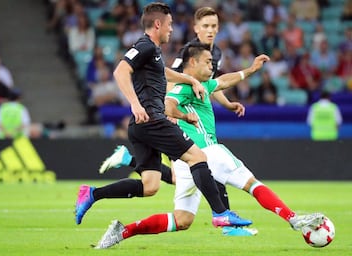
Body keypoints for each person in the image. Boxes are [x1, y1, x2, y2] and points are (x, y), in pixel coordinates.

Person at [94, 43, 324, 249]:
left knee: (182, 219)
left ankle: (124, 231)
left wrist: (250, 70)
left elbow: (223, 82)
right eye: (208, 62)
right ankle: (293, 218)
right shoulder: (186, 87)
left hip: (186, 161)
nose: (212, 66)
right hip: (207, 151)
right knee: (252, 184)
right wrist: (184, 116)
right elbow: (167, 105)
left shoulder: (199, 84)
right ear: (192, 63)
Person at [75, 2, 251, 228]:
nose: (172, 29)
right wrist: (135, 104)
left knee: (150, 185)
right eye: (169, 24)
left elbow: (164, 73)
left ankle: (91, 194)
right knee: (198, 157)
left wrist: (191, 79)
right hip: (151, 118)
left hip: (140, 126)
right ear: (157, 24)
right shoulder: (145, 45)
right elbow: (120, 71)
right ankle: (220, 213)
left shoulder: (153, 51)